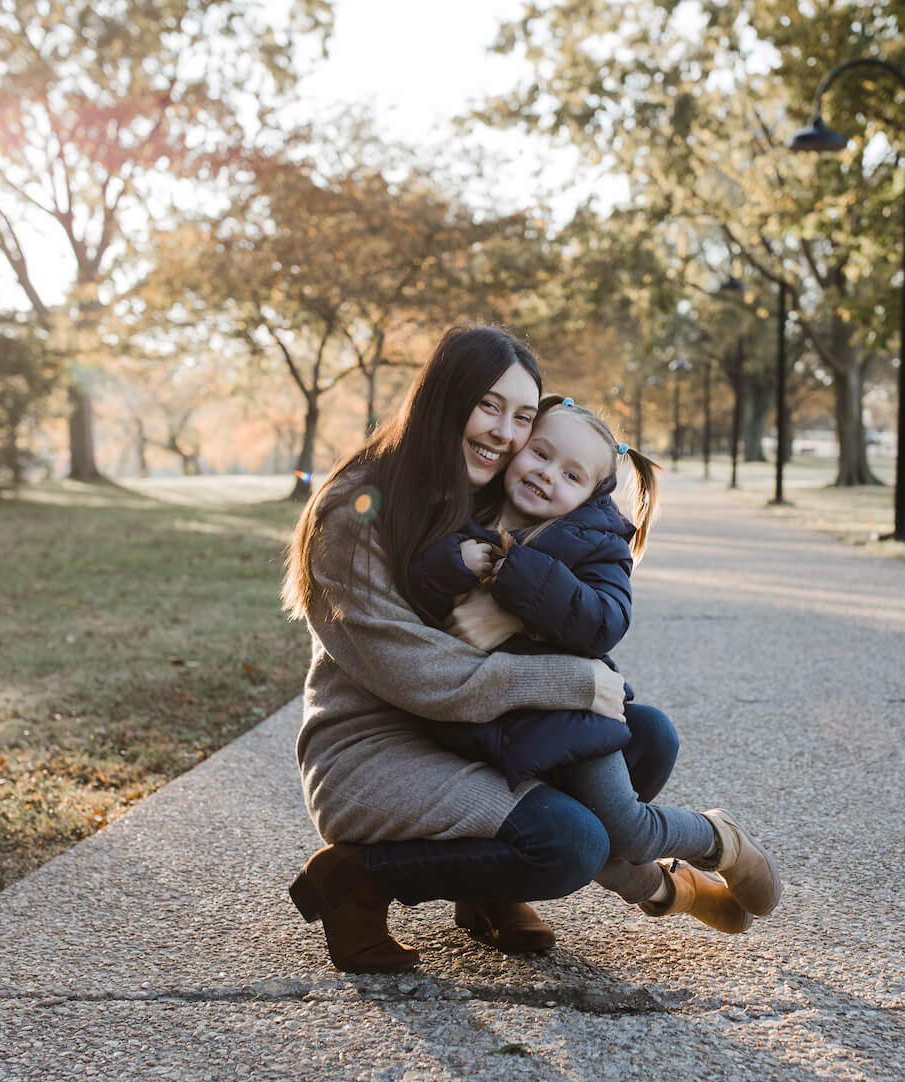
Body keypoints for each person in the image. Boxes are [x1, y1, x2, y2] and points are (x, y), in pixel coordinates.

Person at [282, 326, 688, 971]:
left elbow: (579, 555)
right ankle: (356, 879)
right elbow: (421, 678)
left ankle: (487, 887)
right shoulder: (353, 510)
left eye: (522, 416)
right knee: (571, 844)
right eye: (489, 405)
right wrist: (573, 683)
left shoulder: (487, 494)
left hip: (467, 733)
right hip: (376, 749)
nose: (504, 432)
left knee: (647, 736)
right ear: (443, 399)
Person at [406, 396, 780, 930]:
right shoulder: (469, 510)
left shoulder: (596, 544)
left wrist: (518, 577)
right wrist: (453, 561)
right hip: (491, 722)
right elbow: (415, 572)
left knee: (624, 829)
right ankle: (671, 894)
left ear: (588, 495)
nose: (546, 474)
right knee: (577, 833)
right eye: (540, 453)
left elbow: (604, 621)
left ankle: (721, 839)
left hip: (571, 716)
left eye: (571, 474)